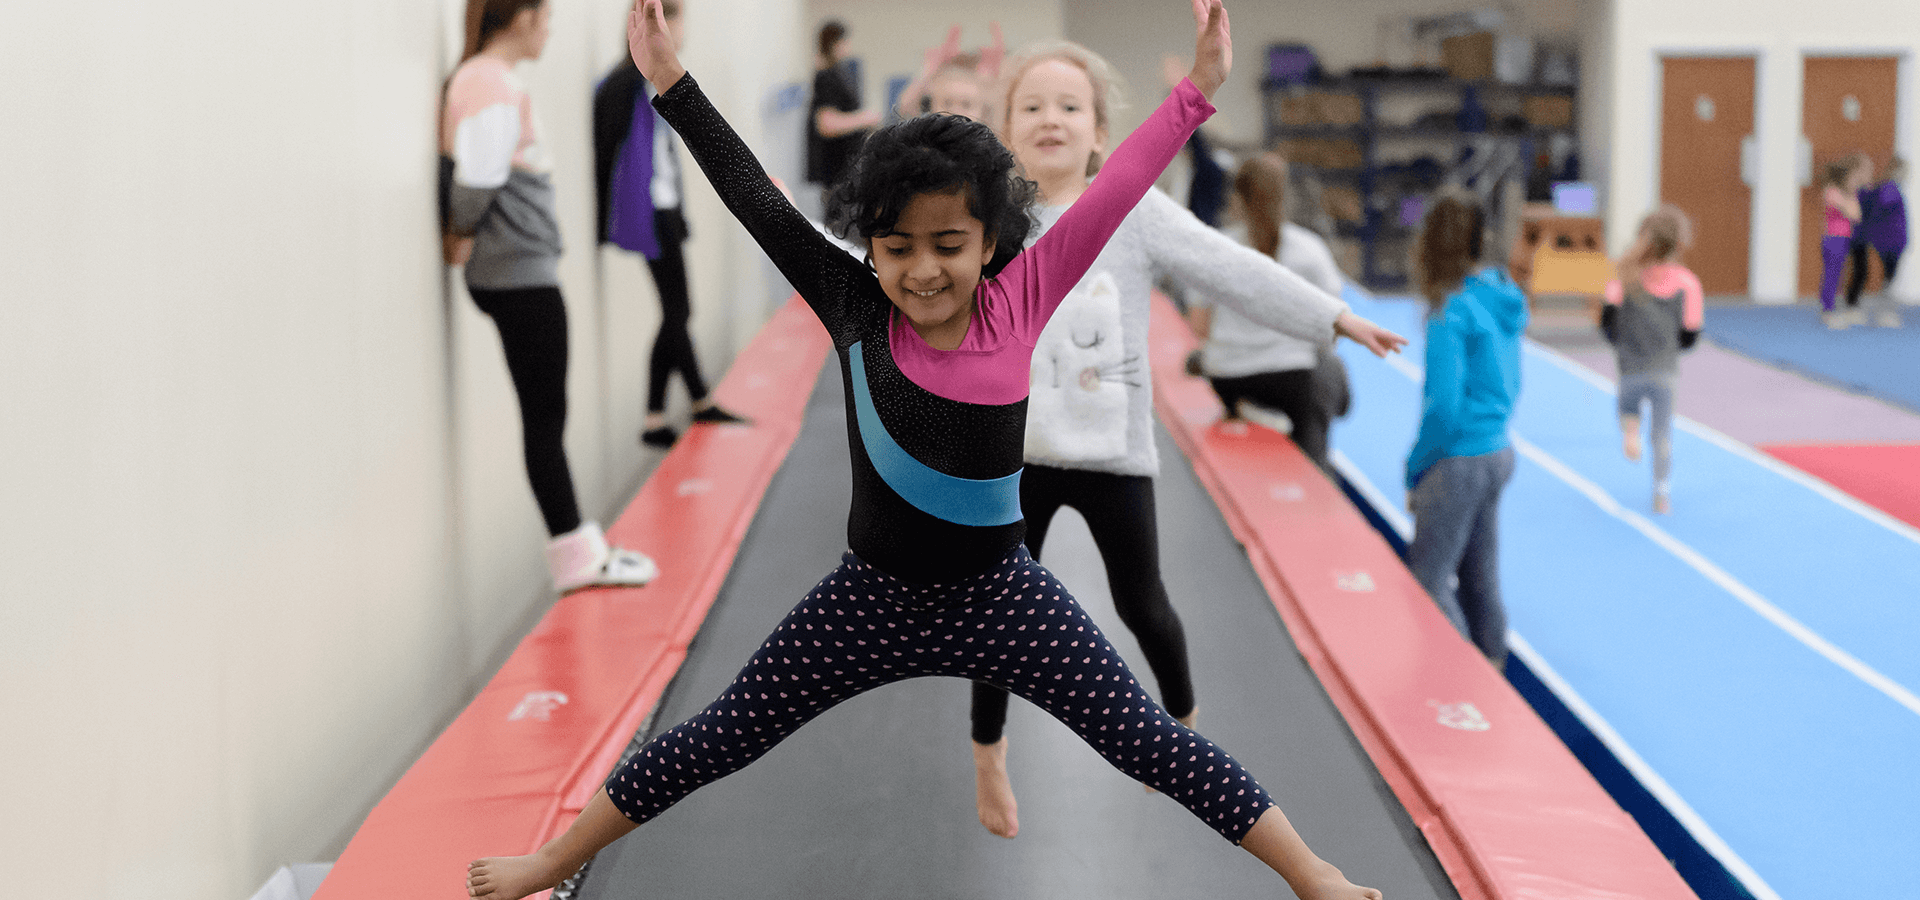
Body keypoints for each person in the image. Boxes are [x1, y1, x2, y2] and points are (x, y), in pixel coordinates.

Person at [466, 3, 1385, 899]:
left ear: (992, 241)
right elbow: (753, 195)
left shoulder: (1022, 298)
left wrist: (1197, 92)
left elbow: (1117, 188)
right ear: (869, 245)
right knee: (722, 733)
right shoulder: (854, 303)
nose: (923, 270)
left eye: (950, 244)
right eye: (896, 247)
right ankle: (552, 863)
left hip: (1001, 594)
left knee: (1146, 737)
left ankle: (1315, 876)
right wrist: (668, 82)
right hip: (870, 597)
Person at [970, 40, 1405, 841]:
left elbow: (1228, 266)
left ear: (1102, 134)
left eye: (1070, 107)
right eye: (1030, 108)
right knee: (997, 615)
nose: (1051, 121)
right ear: (1003, 128)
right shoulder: (987, 215)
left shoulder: (1130, 210)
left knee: (1146, 605)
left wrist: (1331, 318)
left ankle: (1182, 728)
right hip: (1013, 453)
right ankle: (989, 751)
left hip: (1113, 453)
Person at [441, 0, 657, 592]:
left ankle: (580, 547)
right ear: (521, 19)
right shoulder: (487, 79)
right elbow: (479, 176)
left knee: (547, 415)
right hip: (518, 275)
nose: (550, 30)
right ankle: (575, 555)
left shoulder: (492, 79)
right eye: (546, 18)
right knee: (545, 418)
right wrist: (458, 236)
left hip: (521, 271)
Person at [591, 0, 746, 448]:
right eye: (674, 20)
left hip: (665, 207)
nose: (681, 31)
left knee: (678, 310)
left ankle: (696, 401)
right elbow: (606, 158)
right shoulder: (621, 86)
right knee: (678, 311)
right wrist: (607, 223)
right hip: (649, 213)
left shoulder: (652, 83)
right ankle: (657, 417)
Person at [1403, 190, 1526, 668]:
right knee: (1480, 578)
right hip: (1498, 451)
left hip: (1459, 457)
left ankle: (1462, 682)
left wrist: (1416, 469)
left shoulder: (1450, 311)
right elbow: (1510, 382)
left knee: (1429, 579)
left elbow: (1443, 408)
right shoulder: (1499, 297)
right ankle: (1493, 669)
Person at [1186, 152, 1352, 474]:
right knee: (1328, 373)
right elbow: (1335, 326)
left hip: (1227, 380)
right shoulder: (1308, 249)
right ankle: (1315, 468)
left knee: (1317, 375)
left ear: (1237, 199)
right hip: (1291, 384)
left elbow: (1200, 327)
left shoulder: (1215, 249)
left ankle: (1250, 409)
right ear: (1284, 197)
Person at [1601, 205, 1703, 515]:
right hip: (1664, 369)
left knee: (1629, 408)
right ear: (1678, 243)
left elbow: (1608, 324)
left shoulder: (1625, 278)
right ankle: (1661, 492)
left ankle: (1631, 433)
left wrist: (1627, 344)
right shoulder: (1688, 284)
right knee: (1662, 434)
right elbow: (1690, 335)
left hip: (1631, 366)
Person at [805, 19, 881, 203]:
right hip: (838, 174)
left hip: (846, 172)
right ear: (836, 43)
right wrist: (864, 119)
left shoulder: (836, 73)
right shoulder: (827, 77)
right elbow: (826, 124)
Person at [891, 23, 1004, 122]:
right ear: (931, 106)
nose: (955, 112)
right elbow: (905, 107)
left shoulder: (989, 139)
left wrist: (994, 78)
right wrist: (928, 72)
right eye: (947, 103)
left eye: (966, 105)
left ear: (983, 112)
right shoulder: (927, 135)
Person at [1848, 156, 1908, 328]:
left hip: (1888, 239)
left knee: (1881, 277)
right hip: (1886, 240)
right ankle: (1877, 311)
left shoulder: (1885, 188)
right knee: (1876, 276)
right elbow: (1875, 211)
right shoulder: (1887, 189)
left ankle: (1880, 310)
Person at [1818, 154, 1870, 329]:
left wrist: (1850, 201)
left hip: (1844, 238)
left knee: (1839, 274)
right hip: (1833, 238)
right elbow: (1852, 213)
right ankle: (1828, 310)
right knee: (1831, 275)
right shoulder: (1832, 191)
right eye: (1853, 179)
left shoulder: (1849, 194)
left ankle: (1833, 307)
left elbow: (1857, 215)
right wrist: (1849, 203)